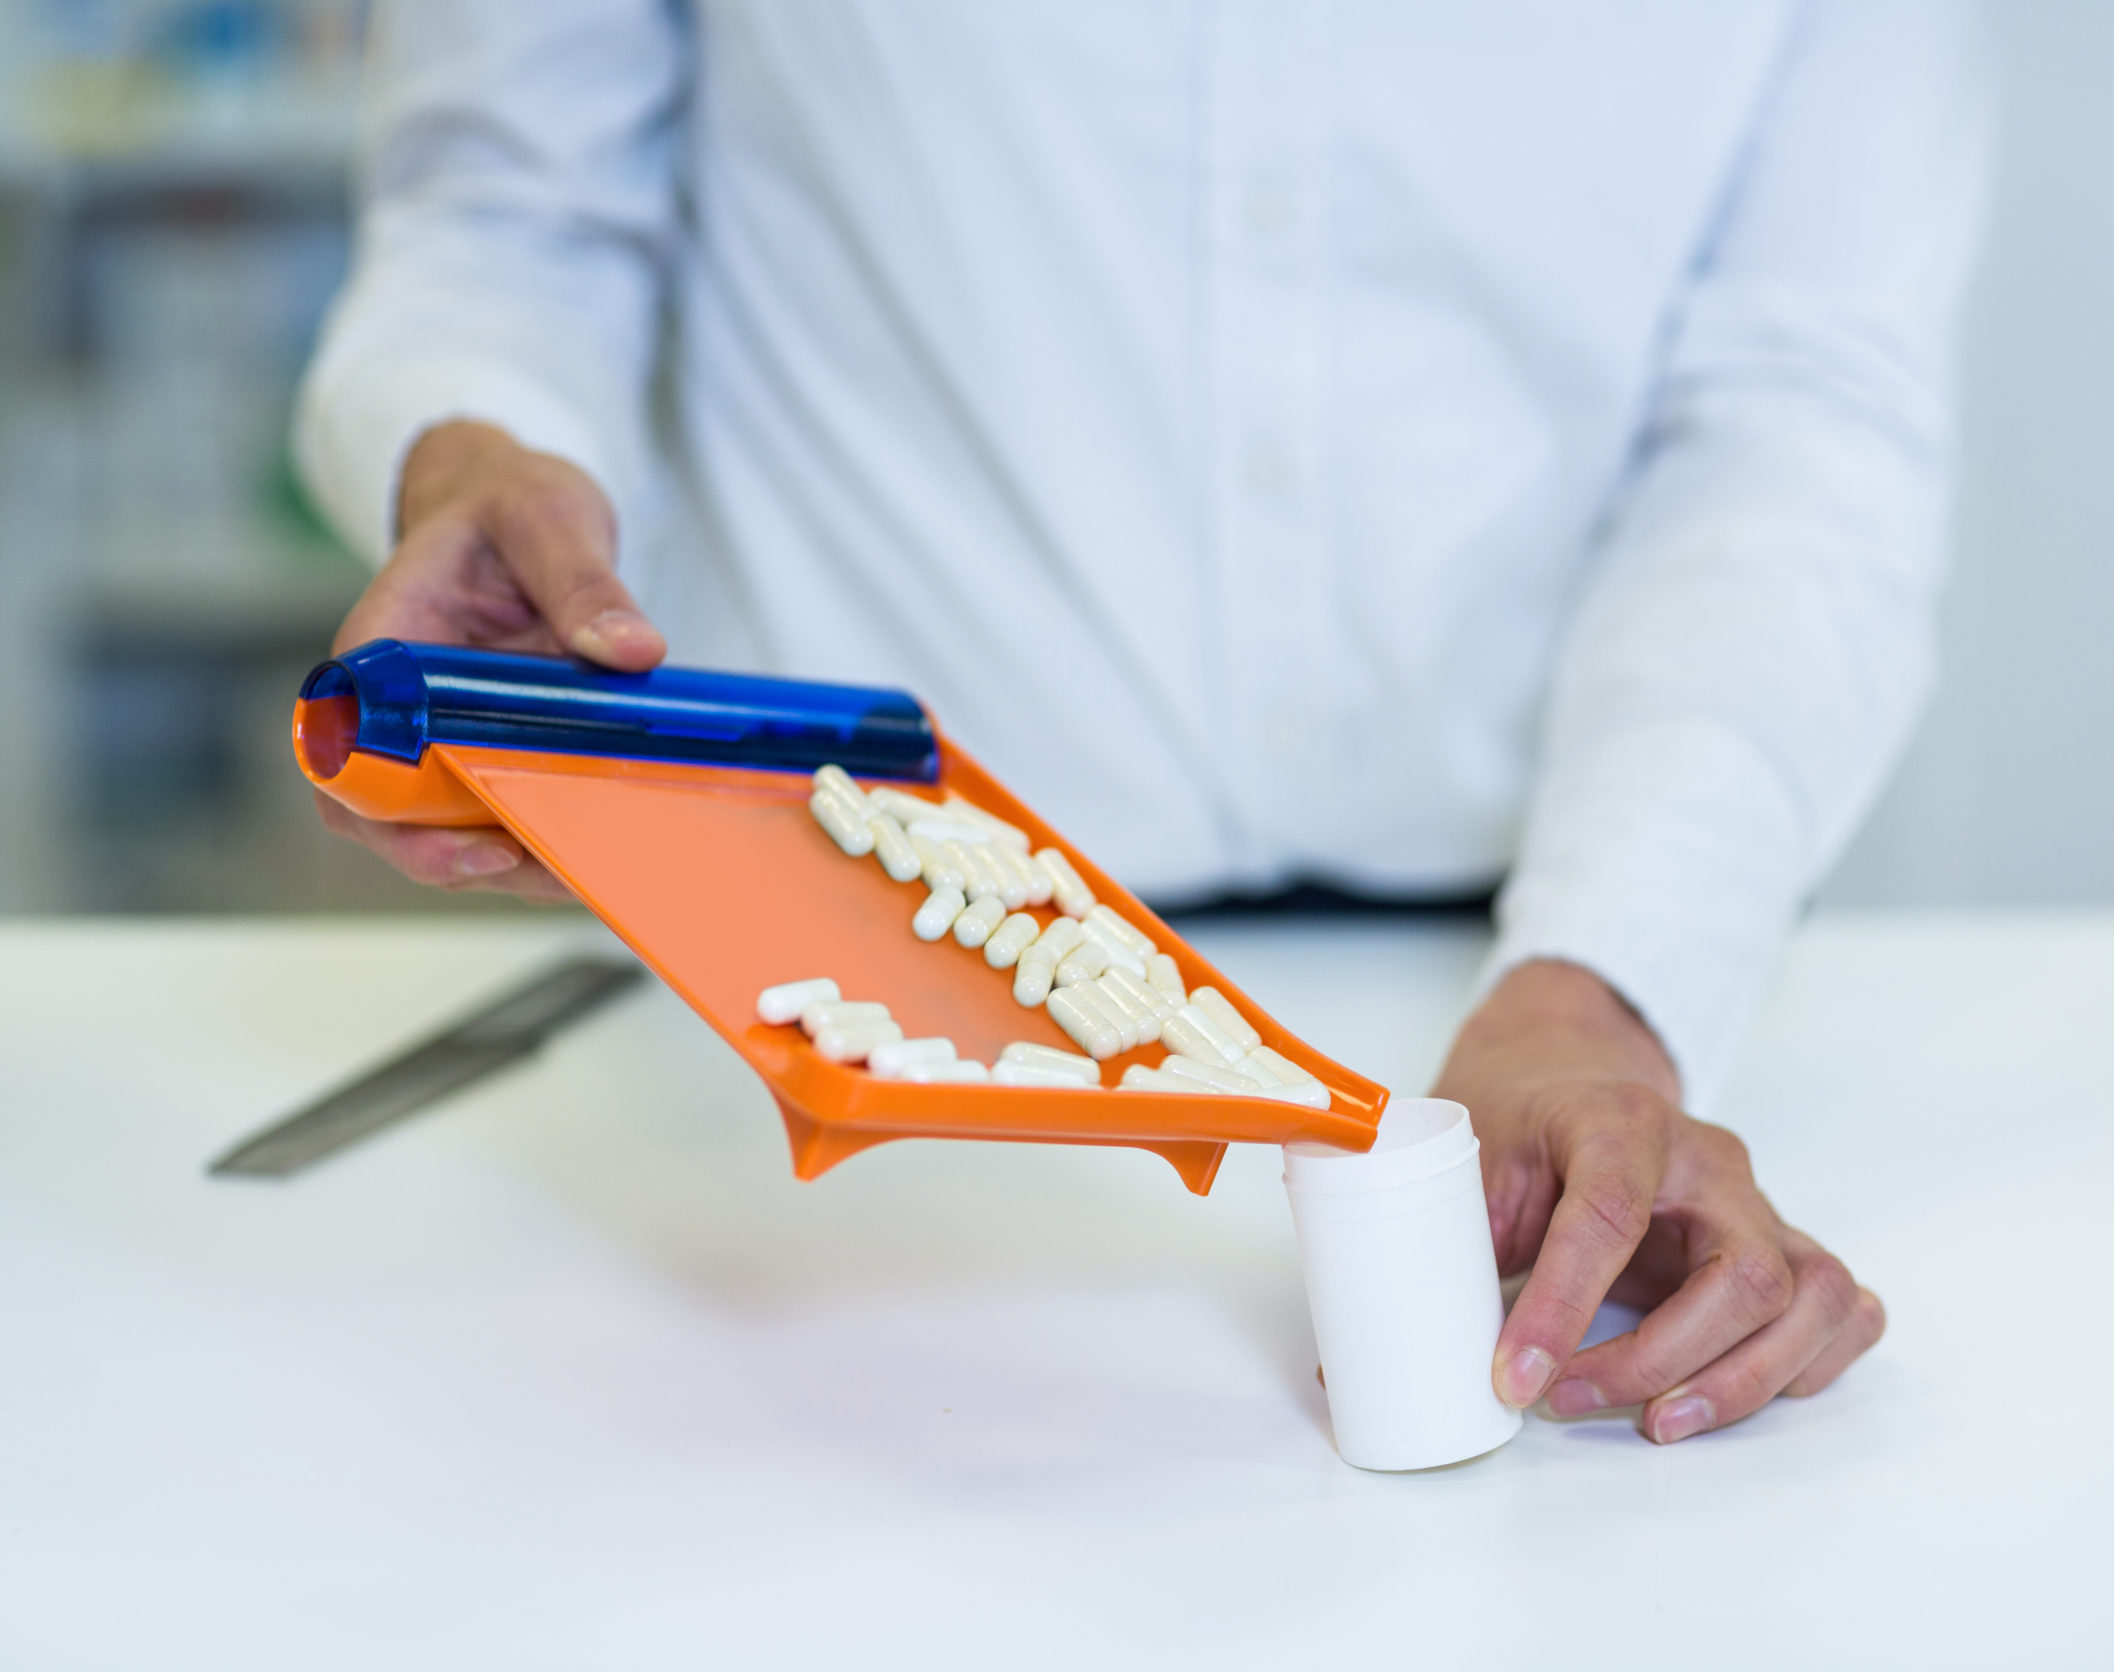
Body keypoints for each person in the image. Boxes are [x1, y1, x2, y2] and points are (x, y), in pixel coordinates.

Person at [296, 1, 1986, 1446]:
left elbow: (1798, 407)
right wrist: (478, 442)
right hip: (809, 1000)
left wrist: (1606, 993)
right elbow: (510, 212)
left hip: (1545, 986)